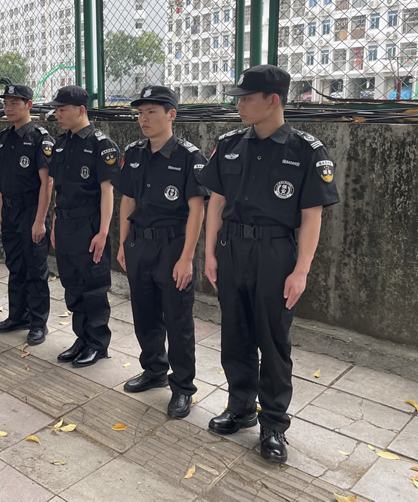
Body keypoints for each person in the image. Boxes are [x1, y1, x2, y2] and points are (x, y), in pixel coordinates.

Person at [198, 65, 339, 463]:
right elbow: (217, 202)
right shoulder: (229, 144)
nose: (239, 105)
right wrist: (210, 254)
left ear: (273, 100)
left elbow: (312, 216)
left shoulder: (306, 151)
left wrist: (301, 271)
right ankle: (240, 407)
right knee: (235, 334)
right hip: (232, 249)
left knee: (273, 342)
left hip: (275, 254)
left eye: (246, 98)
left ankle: (273, 424)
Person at [114, 85, 208, 419]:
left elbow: (197, 210)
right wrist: (123, 243)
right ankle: (154, 369)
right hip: (140, 243)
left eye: (152, 112)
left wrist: (187, 258)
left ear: (171, 115)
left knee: (177, 318)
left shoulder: (189, 157)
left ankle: (182, 387)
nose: (144, 119)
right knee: (145, 312)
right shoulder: (134, 153)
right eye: (141, 113)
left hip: (172, 247)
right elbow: (127, 199)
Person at [48, 85, 119, 367]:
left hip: (89, 225)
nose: (57, 115)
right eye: (56, 110)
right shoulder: (61, 143)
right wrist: (55, 222)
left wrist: (103, 232)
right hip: (65, 224)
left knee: (94, 287)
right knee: (73, 285)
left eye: (62, 109)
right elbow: (58, 189)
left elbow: (107, 192)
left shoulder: (102, 145)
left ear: (80, 110)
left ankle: (98, 343)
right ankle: (82, 337)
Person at [0, 84, 54, 345]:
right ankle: (18, 316)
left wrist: (40, 221)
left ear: (29, 105)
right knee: (15, 266)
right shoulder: (4, 138)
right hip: (10, 211)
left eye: (14, 103)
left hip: (31, 211)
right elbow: (1, 180)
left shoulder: (40, 138)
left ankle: (38, 323)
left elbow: (47, 183)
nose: (8, 108)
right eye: (6, 103)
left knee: (35, 269)